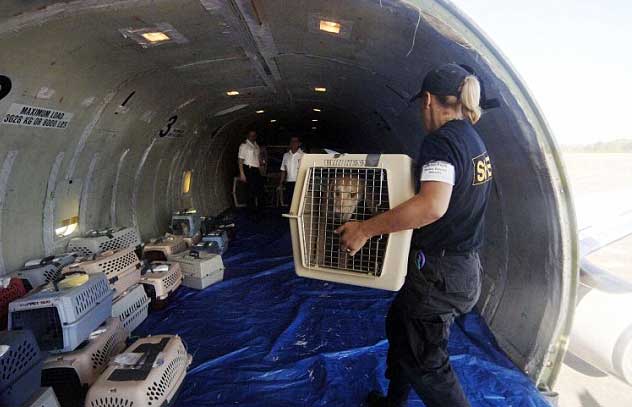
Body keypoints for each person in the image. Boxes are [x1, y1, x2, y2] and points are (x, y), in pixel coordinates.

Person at [336, 63, 493, 407]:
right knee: (400, 326)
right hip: (461, 270)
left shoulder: (442, 141)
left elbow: (432, 206)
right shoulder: (473, 140)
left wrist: (365, 229)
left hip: (439, 274)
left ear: (428, 102)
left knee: (428, 364)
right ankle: (394, 402)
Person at [238, 130, 265, 217]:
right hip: (248, 169)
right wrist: (242, 173)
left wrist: (262, 162)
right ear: (247, 136)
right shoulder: (244, 146)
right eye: (251, 135)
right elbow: (240, 160)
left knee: (259, 189)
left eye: (254, 135)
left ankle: (259, 210)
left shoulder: (256, 145)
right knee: (250, 191)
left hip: (256, 169)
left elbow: (258, 158)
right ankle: (251, 212)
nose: (252, 137)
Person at [279, 136, 304, 206]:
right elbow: (283, 169)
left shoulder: (303, 155)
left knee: (298, 201)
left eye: (295, 141)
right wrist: (281, 182)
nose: (293, 143)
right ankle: (290, 216)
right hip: (289, 182)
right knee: (289, 201)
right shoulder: (286, 155)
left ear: (299, 143)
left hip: (299, 181)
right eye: (292, 141)